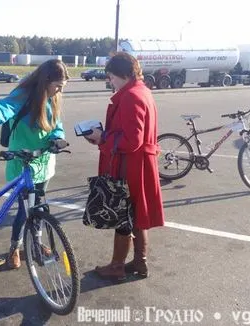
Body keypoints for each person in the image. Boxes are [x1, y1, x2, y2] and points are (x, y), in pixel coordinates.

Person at [0, 59, 69, 269]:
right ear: (45, 81)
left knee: (38, 208)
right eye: (57, 86)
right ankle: (14, 249)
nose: (59, 91)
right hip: (22, 163)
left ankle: (35, 243)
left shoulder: (52, 98)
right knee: (23, 210)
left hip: (44, 162)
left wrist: (58, 138)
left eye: (62, 87)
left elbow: (56, 124)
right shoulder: (21, 97)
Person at [84, 52, 165, 281]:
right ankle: (140, 262)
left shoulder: (130, 96)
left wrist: (102, 138)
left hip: (131, 165)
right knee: (137, 214)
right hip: (140, 164)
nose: (110, 81)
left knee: (124, 215)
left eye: (111, 76)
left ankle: (117, 266)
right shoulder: (143, 91)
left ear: (121, 74)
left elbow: (132, 140)